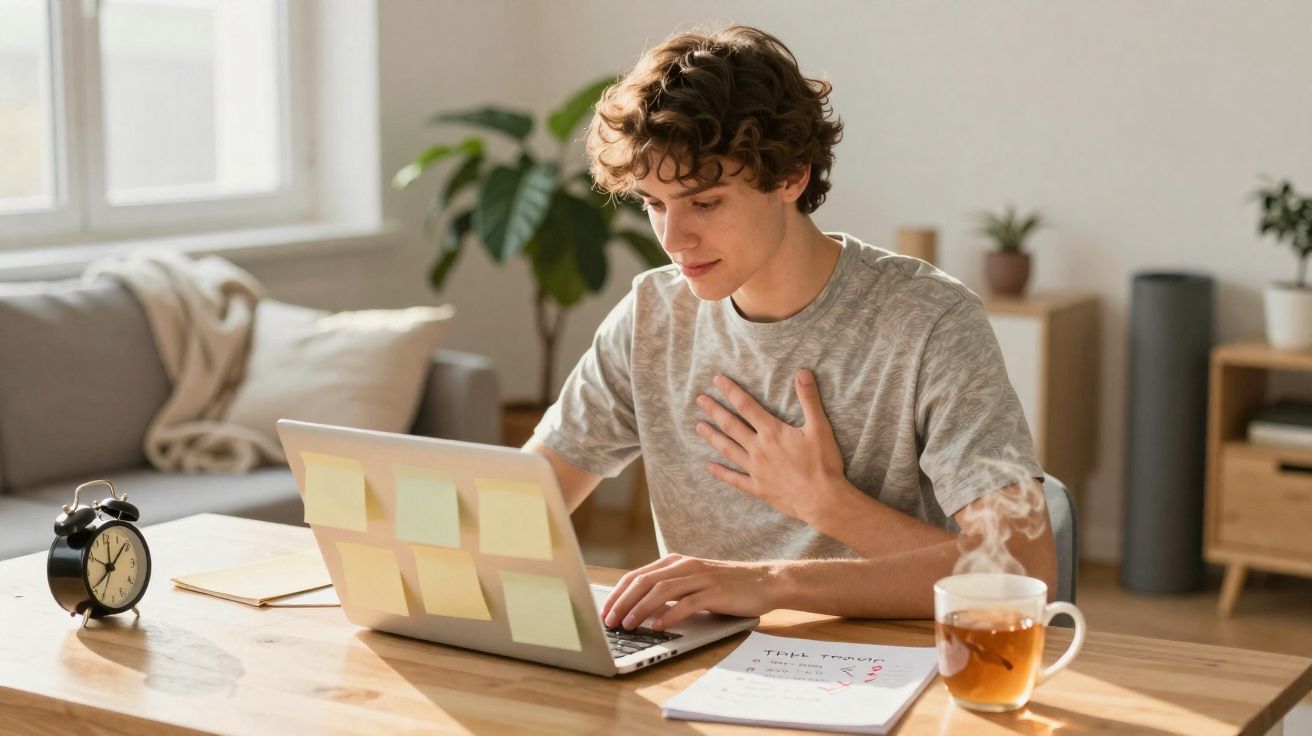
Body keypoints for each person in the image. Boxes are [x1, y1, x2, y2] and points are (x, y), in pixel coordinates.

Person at [524, 24, 1056, 631]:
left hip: (890, 672)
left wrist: (814, 526)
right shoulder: (652, 317)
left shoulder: (929, 320)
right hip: (702, 668)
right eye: (653, 204)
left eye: (705, 202)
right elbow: (524, 502)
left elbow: (1022, 569)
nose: (673, 241)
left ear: (791, 177)